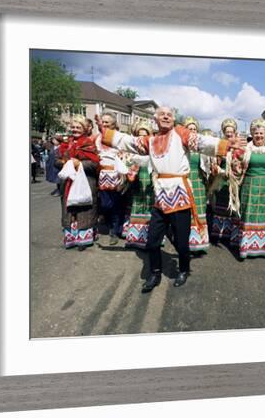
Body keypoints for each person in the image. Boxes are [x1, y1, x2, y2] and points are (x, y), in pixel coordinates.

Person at [98, 106, 243, 292]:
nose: (166, 116)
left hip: (179, 194)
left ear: (173, 119)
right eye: (162, 114)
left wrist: (226, 144)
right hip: (160, 196)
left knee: (182, 241)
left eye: (169, 114)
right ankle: (155, 273)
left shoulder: (181, 133)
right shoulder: (150, 140)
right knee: (152, 241)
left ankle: (183, 269)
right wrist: (106, 133)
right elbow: (129, 142)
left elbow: (200, 141)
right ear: (155, 119)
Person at [229, 118, 265, 258]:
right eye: (256, 133)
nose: (259, 136)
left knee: (264, 216)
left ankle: (261, 244)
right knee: (248, 214)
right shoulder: (244, 149)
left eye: (261, 133)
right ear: (252, 134)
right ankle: (246, 247)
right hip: (249, 187)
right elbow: (234, 165)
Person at [56, 115, 100, 251]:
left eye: (78, 127)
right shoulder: (65, 144)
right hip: (68, 182)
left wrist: (79, 164)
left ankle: (84, 239)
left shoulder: (88, 143)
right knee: (70, 209)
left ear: (84, 129)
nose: (75, 129)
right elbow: (56, 160)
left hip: (85, 181)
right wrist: (64, 163)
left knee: (83, 208)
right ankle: (72, 238)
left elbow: (94, 164)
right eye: (73, 127)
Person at [95, 112, 128, 246]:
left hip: (116, 174)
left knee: (116, 205)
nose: (104, 124)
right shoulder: (97, 138)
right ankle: (112, 223)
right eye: (103, 121)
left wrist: (123, 177)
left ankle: (115, 231)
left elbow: (125, 157)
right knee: (105, 204)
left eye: (107, 122)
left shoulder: (119, 138)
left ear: (114, 124)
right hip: (102, 175)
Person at [124, 119, 154, 248]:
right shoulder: (132, 149)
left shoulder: (153, 148)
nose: (142, 137)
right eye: (139, 134)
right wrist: (129, 167)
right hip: (136, 180)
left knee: (149, 206)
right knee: (136, 205)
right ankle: (135, 238)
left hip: (150, 180)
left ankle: (150, 238)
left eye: (145, 134)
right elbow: (127, 163)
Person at [208, 118, 239, 244]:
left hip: (234, 182)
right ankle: (218, 233)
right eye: (227, 132)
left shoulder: (239, 147)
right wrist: (219, 170)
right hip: (220, 181)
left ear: (235, 132)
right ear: (223, 132)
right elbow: (213, 163)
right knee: (219, 206)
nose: (229, 134)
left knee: (232, 208)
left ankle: (231, 233)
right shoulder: (219, 146)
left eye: (232, 131)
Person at [183, 117, 211, 254]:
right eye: (190, 128)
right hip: (184, 181)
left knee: (199, 211)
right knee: (185, 212)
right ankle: (185, 241)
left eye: (194, 129)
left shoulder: (201, 147)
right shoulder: (181, 145)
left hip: (199, 182)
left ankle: (199, 242)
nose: (192, 131)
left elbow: (207, 166)